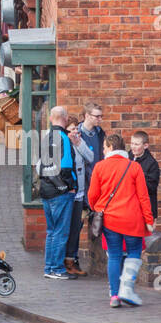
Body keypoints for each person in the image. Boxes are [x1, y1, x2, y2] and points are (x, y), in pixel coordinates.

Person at [87, 133, 155, 307]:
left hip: (110, 219)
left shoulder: (100, 167)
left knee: (114, 256)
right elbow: (143, 196)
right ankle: (127, 288)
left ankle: (115, 295)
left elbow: (92, 195)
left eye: (103, 147)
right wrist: (148, 219)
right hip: (133, 219)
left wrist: (97, 208)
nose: (102, 151)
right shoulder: (134, 167)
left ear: (110, 147)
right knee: (133, 254)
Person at [39, 105, 77, 280]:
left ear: (50, 118)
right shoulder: (63, 137)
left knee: (51, 231)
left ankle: (49, 267)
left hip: (46, 190)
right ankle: (56, 268)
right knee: (61, 232)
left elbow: (41, 165)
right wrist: (69, 186)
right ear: (65, 118)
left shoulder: (46, 137)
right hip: (60, 193)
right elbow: (67, 166)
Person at [64, 117, 96, 277]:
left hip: (80, 194)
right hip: (67, 194)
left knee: (76, 229)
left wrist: (79, 144)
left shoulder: (79, 143)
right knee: (66, 230)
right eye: (71, 130)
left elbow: (90, 157)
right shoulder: (62, 145)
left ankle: (72, 261)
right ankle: (64, 262)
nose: (75, 132)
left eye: (76, 129)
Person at [130, 130, 161, 221]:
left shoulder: (151, 164)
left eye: (136, 144)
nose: (133, 147)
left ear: (145, 146)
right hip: (129, 207)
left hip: (144, 209)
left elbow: (151, 187)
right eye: (132, 143)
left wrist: (134, 179)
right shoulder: (127, 157)